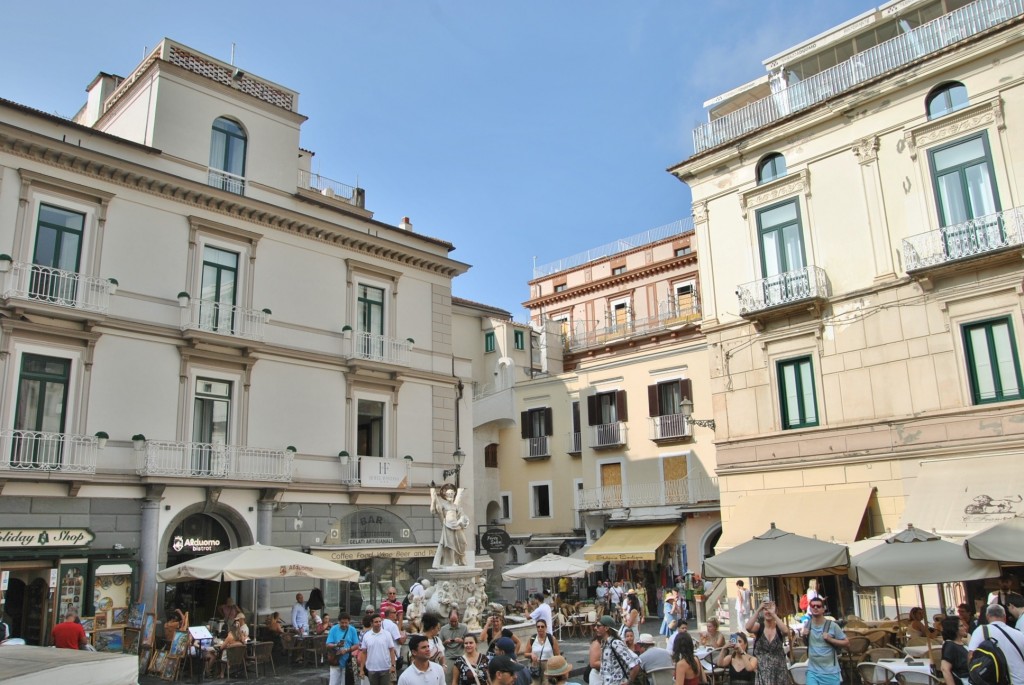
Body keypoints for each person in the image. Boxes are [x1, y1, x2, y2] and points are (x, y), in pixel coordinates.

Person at [968, 604, 1024, 685]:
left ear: (987, 616)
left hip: (997, 681)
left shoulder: (981, 631)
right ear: (1004, 617)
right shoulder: (1019, 634)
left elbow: (971, 656)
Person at [800, 597, 848, 685]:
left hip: (830, 672)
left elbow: (846, 643)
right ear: (810, 608)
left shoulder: (832, 625)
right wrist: (803, 636)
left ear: (823, 609)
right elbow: (807, 643)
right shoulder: (808, 624)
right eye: (813, 606)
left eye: (818, 606)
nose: (815, 608)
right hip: (812, 671)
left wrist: (831, 639)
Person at [746, 599, 789, 685]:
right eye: (766, 609)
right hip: (762, 671)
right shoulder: (759, 626)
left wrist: (774, 614)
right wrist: (758, 610)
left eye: (771, 609)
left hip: (779, 671)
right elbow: (748, 627)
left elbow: (786, 631)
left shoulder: (779, 627)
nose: (768, 612)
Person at [431, 483, 470, 567]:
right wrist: (433, 497)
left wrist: (461, 520)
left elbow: (462, 515)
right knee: (450, 544)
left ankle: (462, 557)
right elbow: (433, 511)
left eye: (452, 493)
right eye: (448, 494)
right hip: (447, 525)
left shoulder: (456, 506)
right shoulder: (443, 505)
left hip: (457, 525)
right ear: (445, 495)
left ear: (454, 494)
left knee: (463, 542)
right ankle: (452, 562)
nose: (450, 495)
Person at [595, 615, 641, 685]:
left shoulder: (615, 643)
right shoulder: (605, 643)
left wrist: (629, 682)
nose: (595, 628)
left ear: (606, 628)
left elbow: (635, 664)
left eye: (598, 626)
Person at [360, 613, 397, 685]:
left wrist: (393, 665)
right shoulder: (366, 636)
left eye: (380, 621)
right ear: (371, 623)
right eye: (376, 622)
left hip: (385, 668)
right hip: (371, 669)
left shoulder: (387, 634)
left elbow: (392, 650)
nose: (378, 623)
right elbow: (364, 653)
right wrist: (361, 669)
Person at [521, 617, 560, 682]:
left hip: (548, 665)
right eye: (538, 627)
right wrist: (531, 654)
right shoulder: (532, 638)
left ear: (546, 627)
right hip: (535, 665)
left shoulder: (551, 638)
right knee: (535, 682)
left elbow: (557, 654)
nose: (540, 628)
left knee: (547, 683)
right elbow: (525, 654)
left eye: (542, 626)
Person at [327, 612, 360, 685]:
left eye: (346, 623)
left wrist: (346, 650)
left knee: (345, 682)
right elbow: (328, 644)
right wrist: (336, 645)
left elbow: (357, 645)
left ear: (349, 622)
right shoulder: (333, 629)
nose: (344, 625)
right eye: (342, 623)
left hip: (347, 661)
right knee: (333, 682)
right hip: (335, 660)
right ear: (338, 622)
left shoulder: (352, 630)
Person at [939, 616, 968, 685]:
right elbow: (945, 669)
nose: (965, 627)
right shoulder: (950, 645)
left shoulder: (959, 644)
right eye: (961, 626)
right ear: (954, 629)